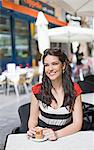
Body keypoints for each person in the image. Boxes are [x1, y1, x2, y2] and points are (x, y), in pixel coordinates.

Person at [27, 48, 83, 141]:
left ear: (63, 66)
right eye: (46, 65)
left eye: (55, 64)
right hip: (44, 140)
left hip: (66, 138)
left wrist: (56, 134)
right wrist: (32, 129)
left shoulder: (74, 90)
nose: (50, 69)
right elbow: (33, 120)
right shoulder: (37, 91)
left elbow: (77, 124)